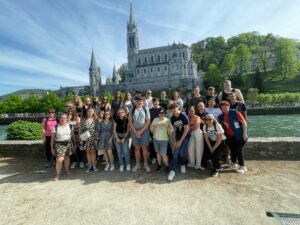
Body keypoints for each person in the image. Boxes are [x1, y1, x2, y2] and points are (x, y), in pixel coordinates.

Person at [219, 101, 248, 173]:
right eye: (223, 107)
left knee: (238, 149)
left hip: (239, 135)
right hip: (229, 136)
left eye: (226, 107)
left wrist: (245, 134)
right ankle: (234, 163)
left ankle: (242, 166)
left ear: (229, 106)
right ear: (221, 109)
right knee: (232, 149)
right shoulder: (221, 116)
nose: (225, 108)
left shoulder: (235, 112)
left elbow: (244, 123)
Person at [168, 103, 190, 181]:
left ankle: (182, 164)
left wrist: (180, 141)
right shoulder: (172, 118)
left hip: (186, 135)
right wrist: (174, 141)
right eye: (171, 110)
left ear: (178, 108)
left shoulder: (183, 116)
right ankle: (172, 171)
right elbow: (174, 130)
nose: (173, 111)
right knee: (176, 152)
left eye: (174, 108)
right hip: (178, 135)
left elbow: (186, 130)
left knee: (181, 152)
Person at [129, 95, 151, 172]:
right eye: (138, 101)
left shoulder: (145, 109)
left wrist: (140, 132)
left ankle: (145, 164)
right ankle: (137, 164)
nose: (140, 102)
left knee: (144, 148)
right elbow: (130, 122)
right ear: (135, 101)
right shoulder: (132, 109)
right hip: (134, 131)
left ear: (143, 102)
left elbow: (148, 121)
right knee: (137, 148)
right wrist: (135, 132)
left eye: (141, 101)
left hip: (144, 131)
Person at [51, 113, 75, 181]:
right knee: (59, 159)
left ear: (67, 119)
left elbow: (72, 136)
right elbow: (52, 139)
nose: (63, 119)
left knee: (67, 157)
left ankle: (66, 170)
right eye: (61, 118)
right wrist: (51, 147)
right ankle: (58, 174)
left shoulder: (70, 126)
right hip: (59, 144)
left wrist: (74, 144)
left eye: (64, 118)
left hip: (68, 143)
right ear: (59, 119)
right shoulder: (55, 127)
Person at [150, 108, 171, 172]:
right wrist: (155, 127)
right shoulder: (155, 120)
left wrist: (167, 127)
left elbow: (170, 132)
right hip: (155, 139)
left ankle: (167, 166)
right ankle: (159, 165)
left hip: (164, 140)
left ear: (165, 114)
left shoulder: (167, 120)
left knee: (163, 154)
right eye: (160, 113)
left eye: (162, 113)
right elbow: (152, 131)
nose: (161, 114)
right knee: (158, 153)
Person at [79, 108, 99, 172]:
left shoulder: (96, 120)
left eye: (91, 111)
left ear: (94, 112)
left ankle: (94, 165)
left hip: (93, 138)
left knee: (93, 151)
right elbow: (80, 130)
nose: (90, 112)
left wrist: (96, 139)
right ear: (87, 112)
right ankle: (89, 165)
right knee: (88, 152)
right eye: (89, 111)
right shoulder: (83, 120)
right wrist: (81, 139)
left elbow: (97, 130)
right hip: (86, 138)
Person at [149, 97, 161, 164]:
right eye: (154, 102)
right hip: (153, 130)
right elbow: (149, 121)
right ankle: (154, 157)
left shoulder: (161, 109)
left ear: (158, 102)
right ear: (152, 103)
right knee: (153, 145)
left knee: (160, 144)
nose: (155, 103)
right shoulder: (150, 110)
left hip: (161, 130)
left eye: (156, 101)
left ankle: (161, 157)